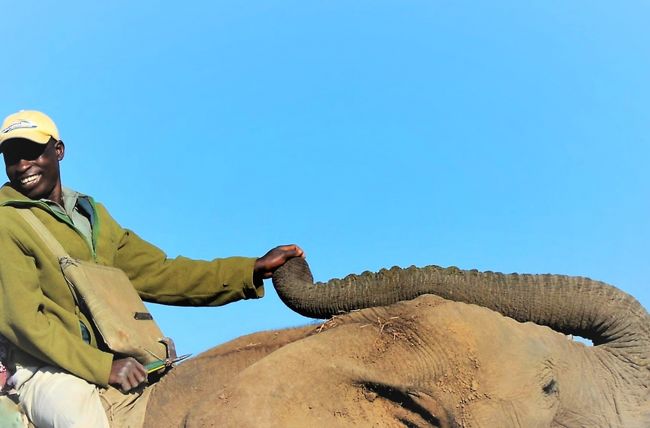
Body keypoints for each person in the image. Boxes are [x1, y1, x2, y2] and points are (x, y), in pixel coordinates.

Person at [0, 110, 304, 427]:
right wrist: (103, 366)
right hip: (46, 369)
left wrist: (250, 270)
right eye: (12, 157)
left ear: (58, 150)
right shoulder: (7, 221)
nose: (22, 167)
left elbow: (160, 272)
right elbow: (23, 324)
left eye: (31, 153)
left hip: (118, 358)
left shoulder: (92, 216)